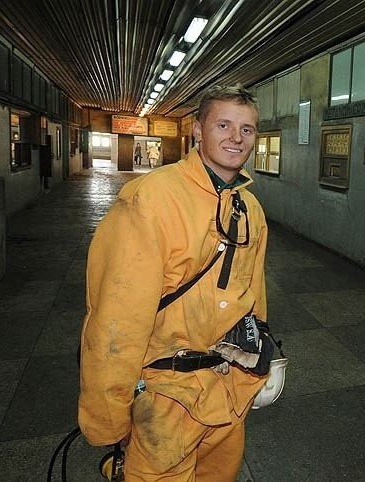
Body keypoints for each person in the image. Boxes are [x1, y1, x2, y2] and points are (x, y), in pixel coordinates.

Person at [79, 84, 269, 480]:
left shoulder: (248, 207)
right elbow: (116, 319)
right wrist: (110, 415)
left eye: (247, 129)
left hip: (226, 389)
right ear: (198, 130)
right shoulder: (151, 199)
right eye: (223, 124)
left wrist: (261, 356)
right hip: (164, 397)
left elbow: (252, 293)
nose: (236, 138)